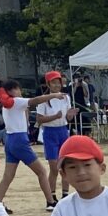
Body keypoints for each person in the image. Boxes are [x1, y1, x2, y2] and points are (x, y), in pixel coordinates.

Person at [0, 80, 53, 211]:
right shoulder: (17, 101)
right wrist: (54, 95)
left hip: (9, 139)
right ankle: (50, 202)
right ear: (13, 90)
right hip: (19, 139)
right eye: (18, 89)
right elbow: (37, 100)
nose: (20, 92)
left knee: (8, 176)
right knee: (41, 172)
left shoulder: (7, 104)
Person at [32, 71, 73, 204]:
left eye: (59, 82)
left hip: (63, 131)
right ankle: (52, 196)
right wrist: (54, 116)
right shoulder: (43, 100)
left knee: (65, 165)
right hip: (50, 133)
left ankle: (65, 194)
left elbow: (67, 117)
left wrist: (71, 114)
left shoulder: (66, 97)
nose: (57, 85)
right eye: (54, 82)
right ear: (48, 84)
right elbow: (39, 119)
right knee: (54, 167)